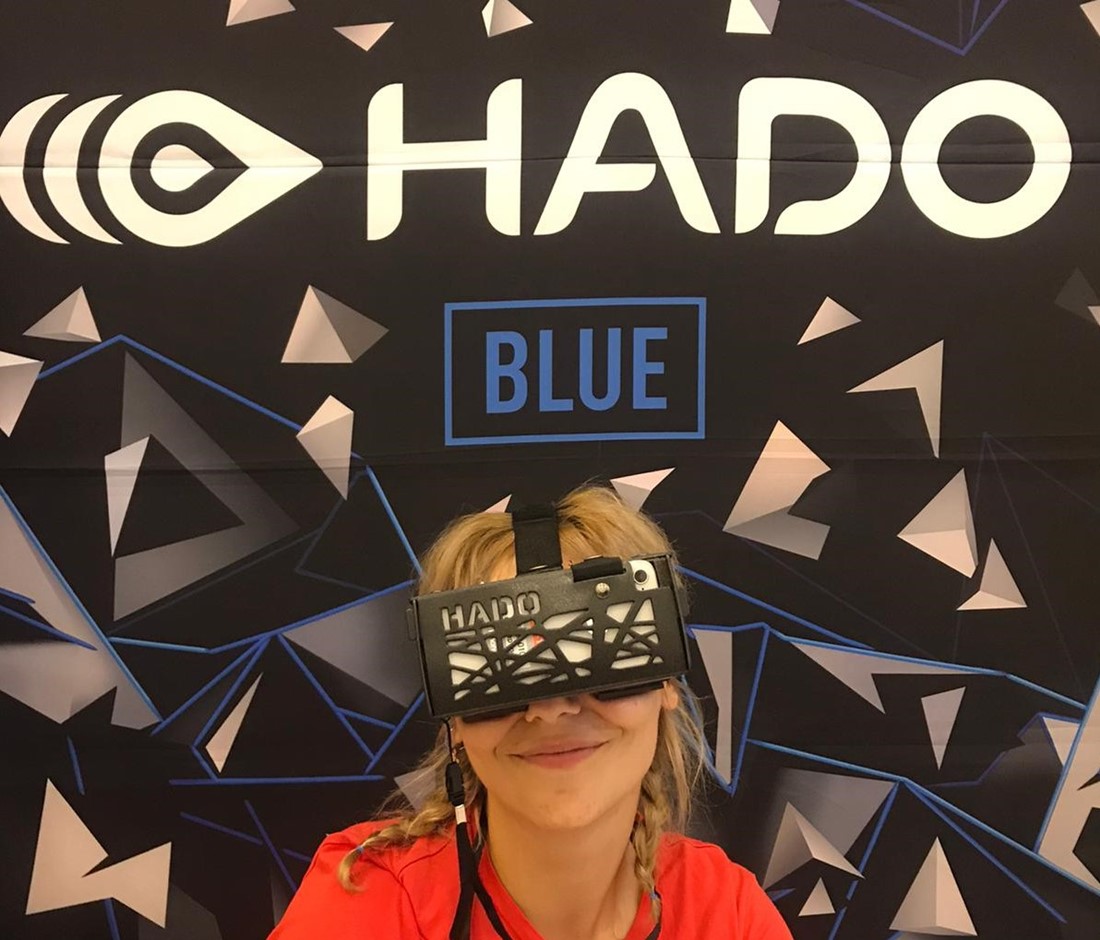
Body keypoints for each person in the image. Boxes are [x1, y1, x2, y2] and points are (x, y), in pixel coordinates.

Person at [269, 484, 793, 940]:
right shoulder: (368, 897)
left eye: (600, 650)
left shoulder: (727, 914)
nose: (550, 710)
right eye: (500, 665)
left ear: (667, 685)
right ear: (454, 718)